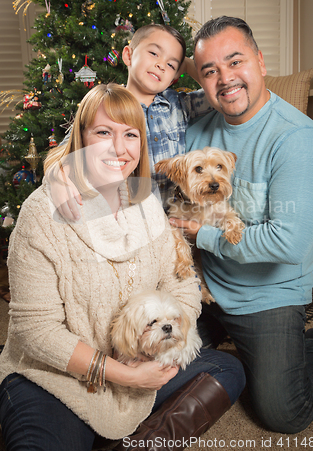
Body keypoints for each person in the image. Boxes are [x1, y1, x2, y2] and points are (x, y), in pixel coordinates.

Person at [0, 83, 245, 451]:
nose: (118, 147)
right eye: (103, 132)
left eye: (130, 134)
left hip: (147, 356)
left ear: (141, 143)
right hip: (55, 378)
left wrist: (161, 354)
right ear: (81, 138)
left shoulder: (145, 201)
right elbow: (36, 330)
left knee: (229, 369)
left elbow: (181, 283)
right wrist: (122, 374)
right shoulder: (41, 215)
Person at [169, 15, 313, 434]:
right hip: (206, 285)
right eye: (210, 71)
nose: (225, 79)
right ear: (202, 82)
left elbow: (288, 244)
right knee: (158, 361)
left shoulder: (297, 138)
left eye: (235, 61)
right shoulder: (197, 130)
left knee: (283, 411)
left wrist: (198, 233)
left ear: (260, 62)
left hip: (268, 292)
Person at [53, 24, 210, 219]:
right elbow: (63, 152)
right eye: (154, 53)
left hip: (173, 223)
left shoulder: (180, 105)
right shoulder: (107, 104)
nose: (161, 65)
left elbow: (217, 93)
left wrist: (186, 64)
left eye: (170, 64)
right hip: (128, 220)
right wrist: (61, 179)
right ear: (128, 55)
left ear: (173, 78)